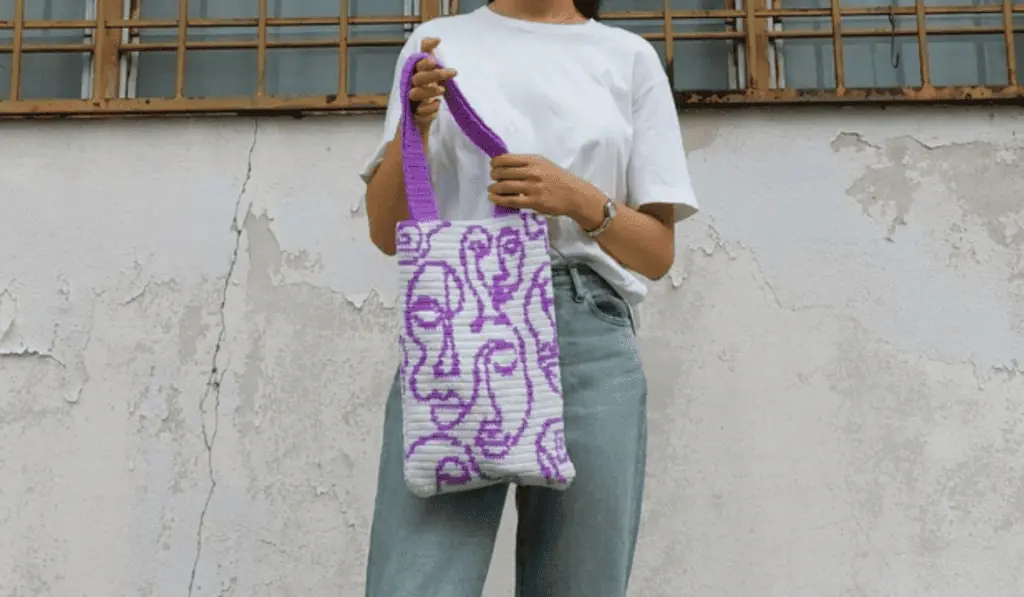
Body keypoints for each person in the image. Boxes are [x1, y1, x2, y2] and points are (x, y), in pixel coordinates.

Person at [358, 0, 699, 595]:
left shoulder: (627, 58)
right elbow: (387, 233)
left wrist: (579, 199)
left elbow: (657, 252)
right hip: (460, 331)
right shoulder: (437, 42)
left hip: (588, 336)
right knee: (417, 579)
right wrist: (412, 128)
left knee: (579, 582)